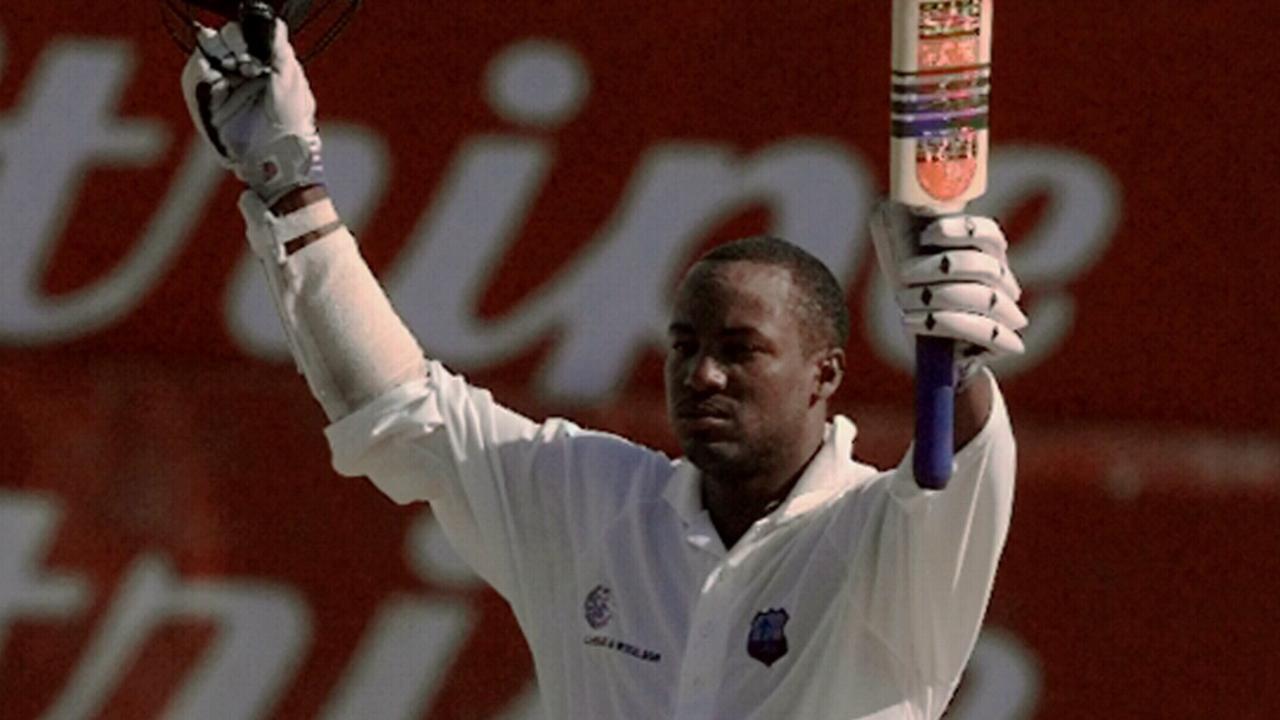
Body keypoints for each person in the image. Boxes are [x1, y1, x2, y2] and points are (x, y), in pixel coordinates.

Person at [181, 19, 1028, 720]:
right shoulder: (587, 500)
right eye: (686, 347)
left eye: (740, 352)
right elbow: (399, 410)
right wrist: (287, 188)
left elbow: (958, 470)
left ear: (825, 374)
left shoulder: (890, 545)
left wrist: (959, 361)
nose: (702, 376)